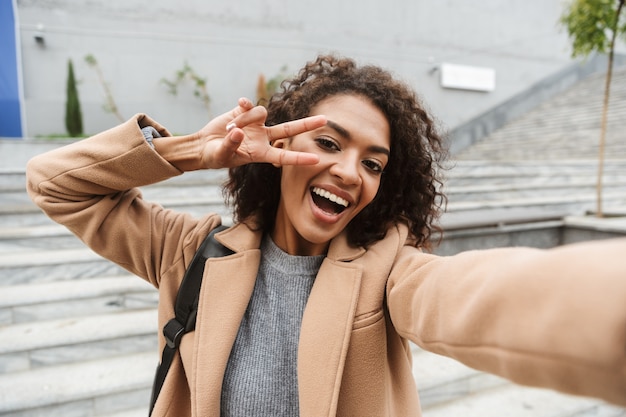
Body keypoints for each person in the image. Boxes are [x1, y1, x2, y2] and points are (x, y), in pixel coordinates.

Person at [26, 55, 626, 417]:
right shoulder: (191, 251)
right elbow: (54, 184)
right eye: (330, 143)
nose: (349, 171)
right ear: (282, 145)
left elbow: (478, 297)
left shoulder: (391, 270)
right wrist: (193, 152)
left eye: (373, 162)